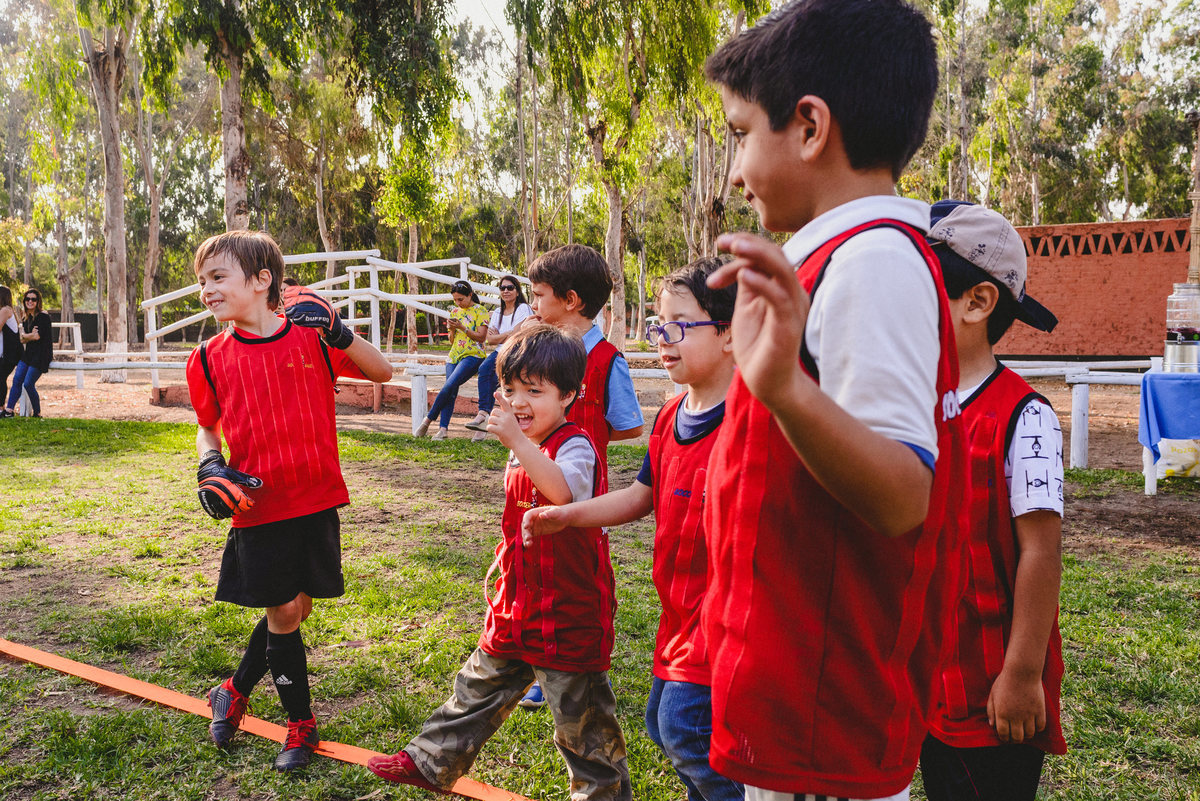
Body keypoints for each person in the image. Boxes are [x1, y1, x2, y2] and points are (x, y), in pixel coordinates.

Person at [699, 2, 969, 800]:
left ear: (810, 126)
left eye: (741, 134)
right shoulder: (831, 264)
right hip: (796, 712)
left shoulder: (872, 264)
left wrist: (779, 387)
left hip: (826, 730)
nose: (736, 171)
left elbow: (901, 493)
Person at [367, 324, 632, 801]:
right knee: (477, 685)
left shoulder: (575, 445)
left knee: (583, 725)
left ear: (570, 394)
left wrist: (518, 443)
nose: (519, 401)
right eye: (509, 390)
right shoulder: (524, 448)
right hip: (519, 601)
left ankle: (602, 796)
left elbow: (563, 492)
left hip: (569, 610)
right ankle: (430, 761)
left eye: (535, 390)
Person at [522, 258, 740, 801]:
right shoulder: (671, 417)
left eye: (680, 326)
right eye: (658, 325)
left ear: (732, 333)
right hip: (679, 613)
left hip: (730, 621)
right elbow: (643, 495)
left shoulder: (756, 419)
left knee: (686, 732)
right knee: (665, 726)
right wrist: (569, 514)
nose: (663, 339)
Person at [185, 230, 392, 772]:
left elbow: (382, 372)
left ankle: (232, 688)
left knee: (295, 607)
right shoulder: (207, 358)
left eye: (218, 277)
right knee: (281, 610)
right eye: (202, 280)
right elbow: (207, 427)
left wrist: (340, 331)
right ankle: (300, 724)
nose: (206, 289)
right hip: (259, 505)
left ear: (261, 281)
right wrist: (210, 463)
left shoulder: (310, 338)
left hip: (318, 496)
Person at [918, 201, 1066, 801]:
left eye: (918, 293)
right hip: (931, 682)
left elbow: (1041, 552)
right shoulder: (918, 404)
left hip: (994, 693)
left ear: (977, 303)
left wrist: (1023, 673)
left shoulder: (1024, 418)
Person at [519, 243, 645, 709]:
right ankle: (536, 663)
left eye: (539, 296)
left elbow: (629, 423)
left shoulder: (609, 359)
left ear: (570, 300)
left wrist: (581, 446)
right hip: (530, 494)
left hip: (584, 505)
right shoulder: (534, 353)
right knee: (532, 577)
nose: (533, 306)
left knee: (579, 582)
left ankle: (581, 662)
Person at [415, 280, 492, 440]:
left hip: (473, 354)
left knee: (449, 385)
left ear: (470, 295)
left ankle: (428, 420)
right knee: (450, 391)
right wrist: (451, 330)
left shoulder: (480, 311)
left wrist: (462, 327)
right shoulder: (455, 312)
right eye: (455, 299)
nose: (458, 303)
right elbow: (452, 340)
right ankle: (443, 430)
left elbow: (481, 337)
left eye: (461, 299)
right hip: (454, 355)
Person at [464, 274, 533, 442]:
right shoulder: (497, 312)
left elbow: (518, 335)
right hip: (501, 351)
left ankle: (490, 424)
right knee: (484, 370)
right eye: (503, 288)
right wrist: (508, 333)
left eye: (510, 288)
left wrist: (502, 335)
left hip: (518, 349)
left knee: (506, 383)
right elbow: (490, 339)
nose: (506, 291)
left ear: (517, 291)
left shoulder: (523, 308)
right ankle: (483, 414)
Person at [2, 288, 52, 418]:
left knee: (28, 383)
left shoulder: (43, 317)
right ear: (24, 301)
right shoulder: (26, 318)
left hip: (41, 355)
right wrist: (28, 335)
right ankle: (9, 410)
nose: (30, 301)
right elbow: (22, 338)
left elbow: (37, 337)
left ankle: (37, 412)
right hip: (28, 355)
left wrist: (26, 336)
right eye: (27, 299)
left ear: (38, 301)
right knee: (17, 380)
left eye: (33, 299)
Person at [0, 286, 22, 405]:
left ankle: (1, 407)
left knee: (1, 378)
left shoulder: (5, 310)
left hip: (9, 354)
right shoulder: (7, 310)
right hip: (7, 353)